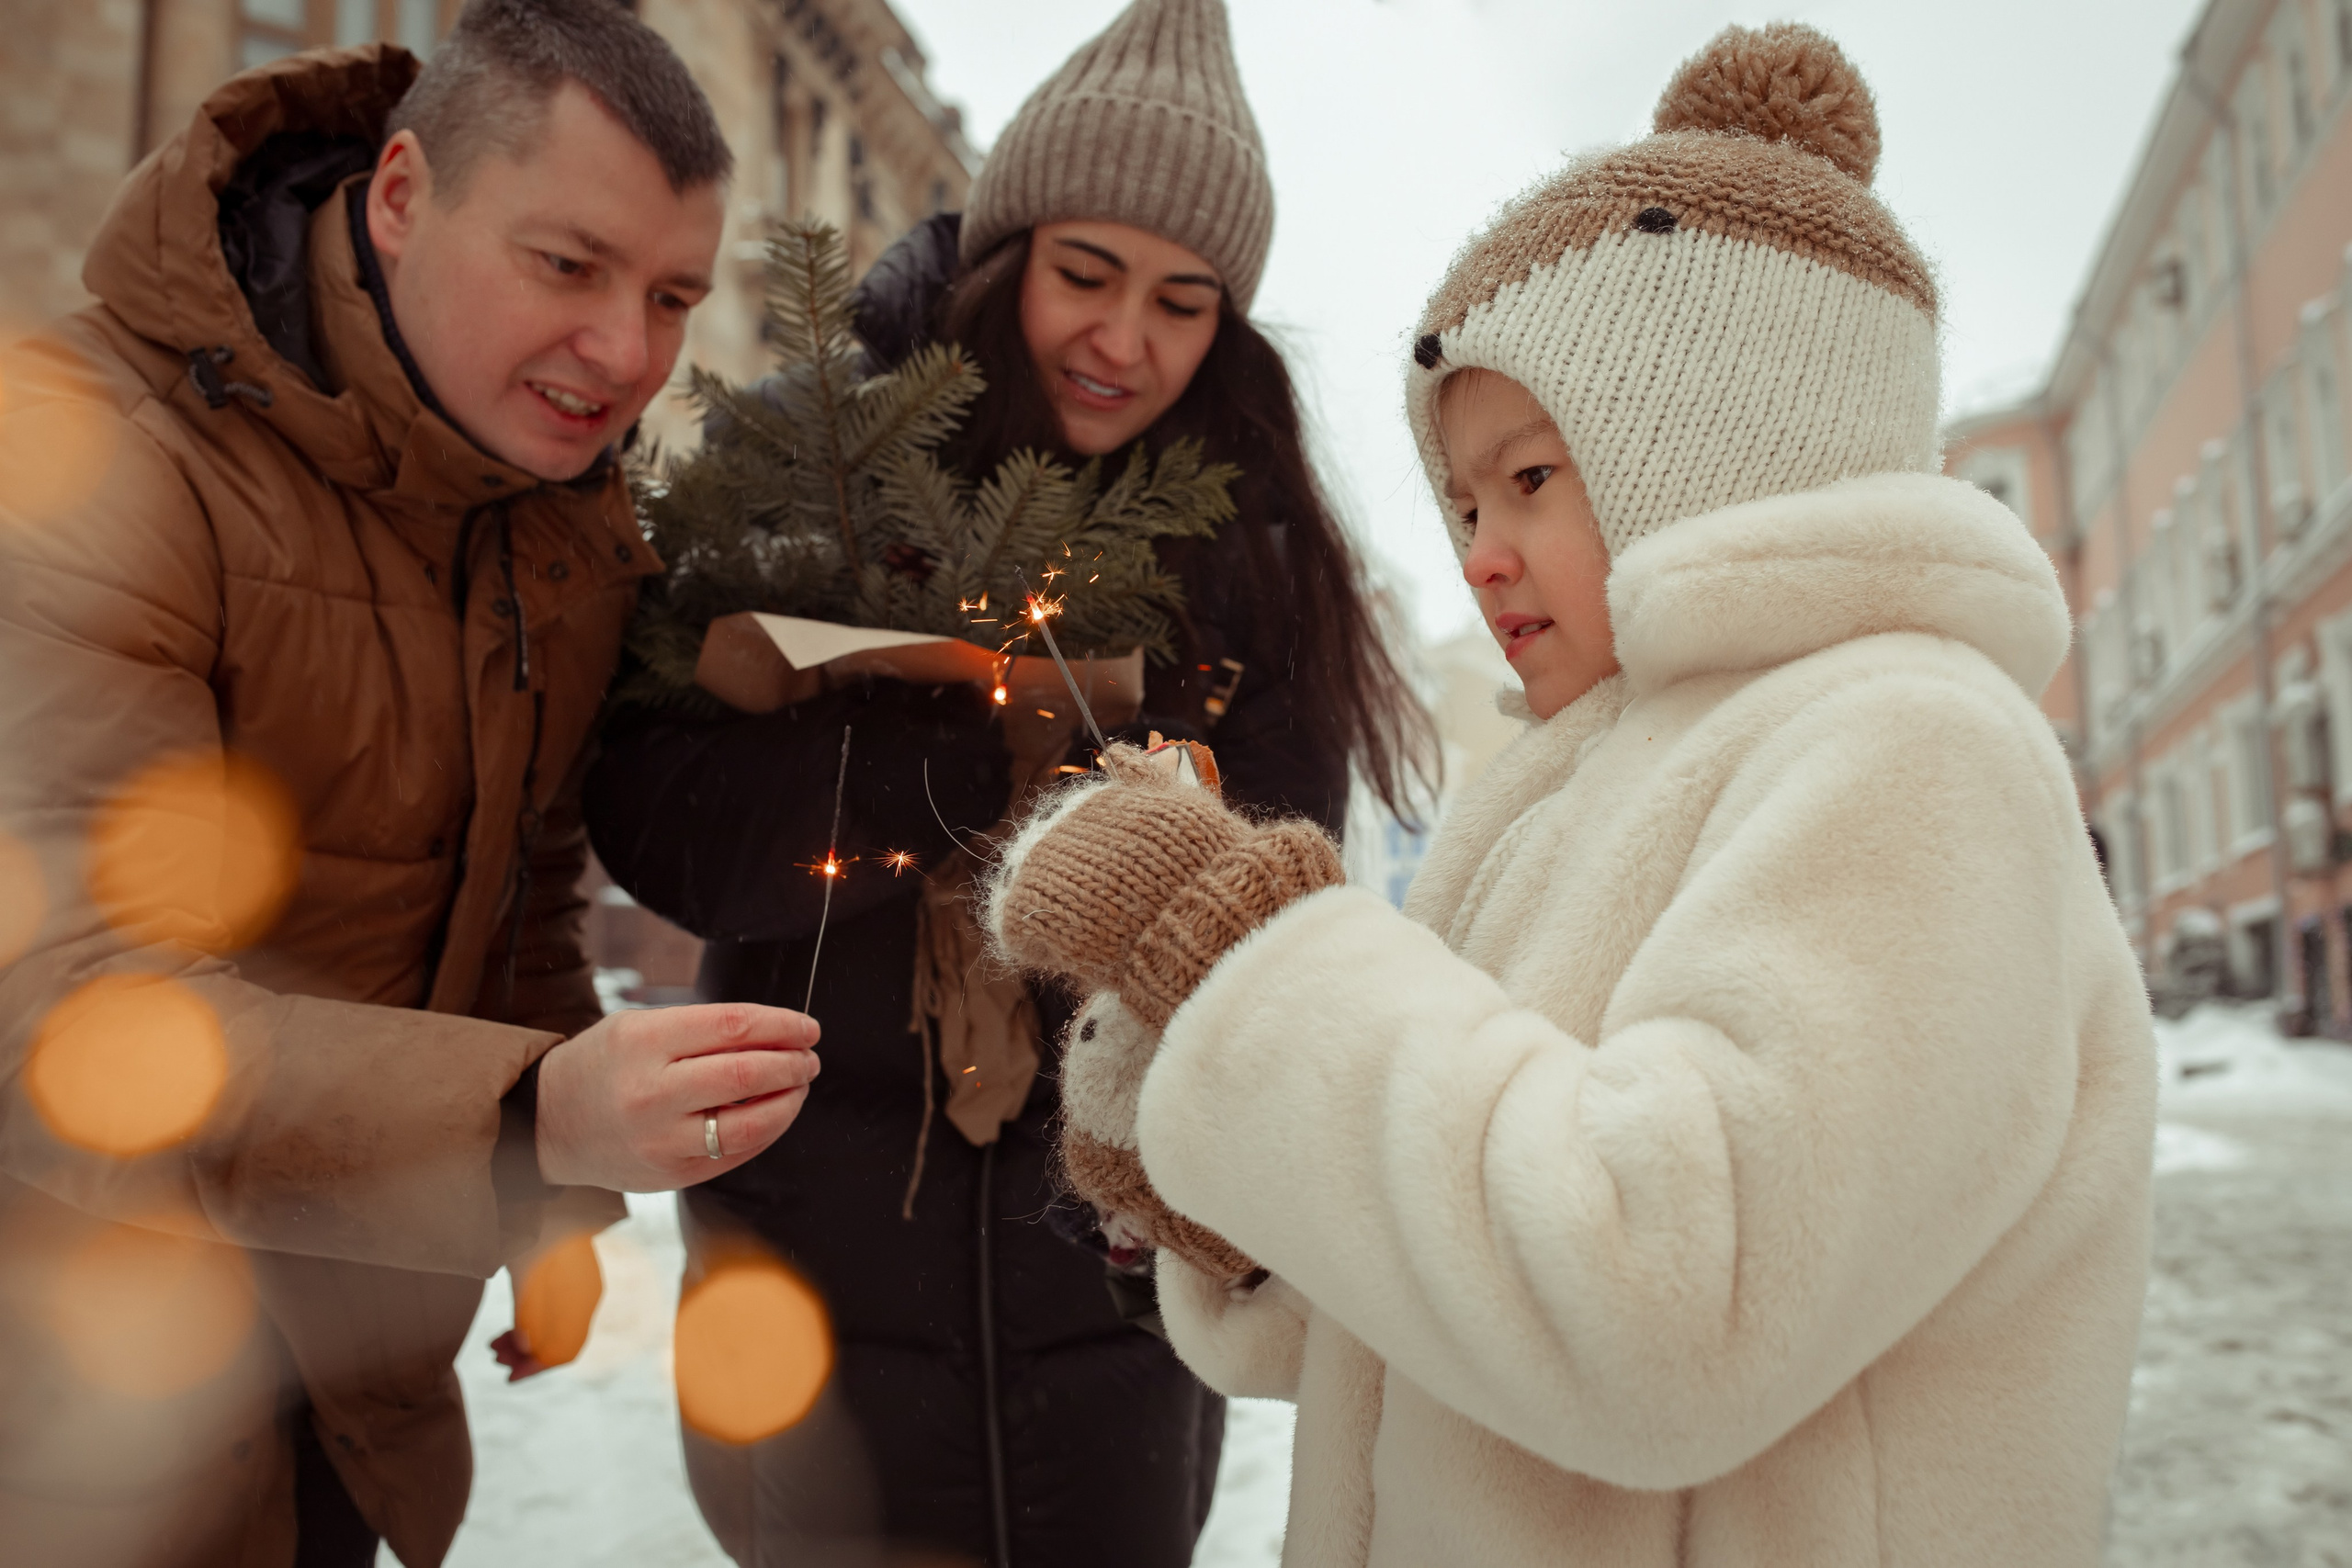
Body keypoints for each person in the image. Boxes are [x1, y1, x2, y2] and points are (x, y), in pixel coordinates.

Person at [984, 24, 2157, 1568]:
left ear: (1725, 442)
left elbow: (1667, 1311)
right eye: (1460, 498)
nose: (1475, 549)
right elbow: (1443, 1329)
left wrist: (1244, 965)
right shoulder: (1574, 794)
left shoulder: (1914, 753)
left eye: (1531, 477)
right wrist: (1238, 1196)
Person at [582, 2, 1430, 1563]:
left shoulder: (1249, 548)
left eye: (1183, 302)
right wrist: (961, 759)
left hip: (1109, 1293)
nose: (1126, 343)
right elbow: (658, 814)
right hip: (809, 1267)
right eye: (1086, 276)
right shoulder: (807, 464)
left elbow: (1276, 871)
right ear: (1005, 257)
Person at [0, 6, 822, 1566]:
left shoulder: (548, 515)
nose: (627, 354)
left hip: (343, 1388)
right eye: (566, 266)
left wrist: (548, 1198)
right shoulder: (86, 460)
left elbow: (515, 887)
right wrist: (522, 1119)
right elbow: (69, 1018)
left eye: (670, 295)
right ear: (398, 197)